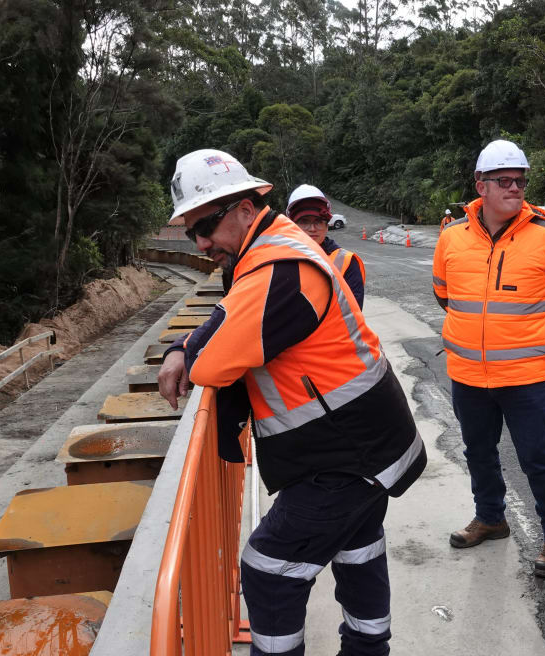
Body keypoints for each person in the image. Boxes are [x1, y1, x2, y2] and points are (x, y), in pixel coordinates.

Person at [157, 149, 426, 656]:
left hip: (348, 454)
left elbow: (212, 365)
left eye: (206, 225)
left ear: (243, 207)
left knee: (268, 568)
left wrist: (185, 355)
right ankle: (369, 649)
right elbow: (224, 314)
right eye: (192, 230)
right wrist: (179, 345)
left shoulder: (280, 269)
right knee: (358, 549)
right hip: (360, 443)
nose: (200, 242)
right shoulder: (263, 253)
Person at [431, 139, 545, 578]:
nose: (515, 188)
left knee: (538, 456)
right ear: (481, 185)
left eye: (520, 180)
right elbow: (444, 294)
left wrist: (534, 333)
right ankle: (491, 518)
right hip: (468, 372)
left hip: (525, 374)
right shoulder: (451, 238)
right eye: (504, 180)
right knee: (479, 451)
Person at [287, 184, 366, 308]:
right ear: (292, 225)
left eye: (318, 221)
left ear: (327, 225)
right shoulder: (279, 258)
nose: (312, 229)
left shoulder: (346, 262)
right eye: (304, 221)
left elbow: (352, 313)